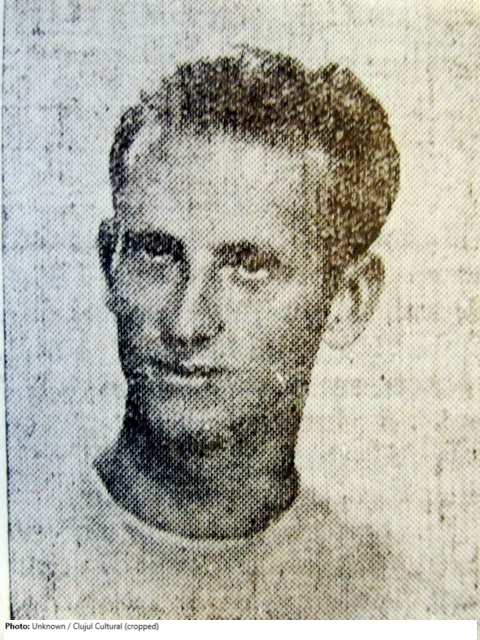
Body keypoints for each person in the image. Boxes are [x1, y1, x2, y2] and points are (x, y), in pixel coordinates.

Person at [12, 48, 426, 619]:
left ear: (346, 301)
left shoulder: (400, 605)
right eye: (156, 254)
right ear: (110, 265)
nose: (187, 323)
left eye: (248, 267)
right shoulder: (20, 562)